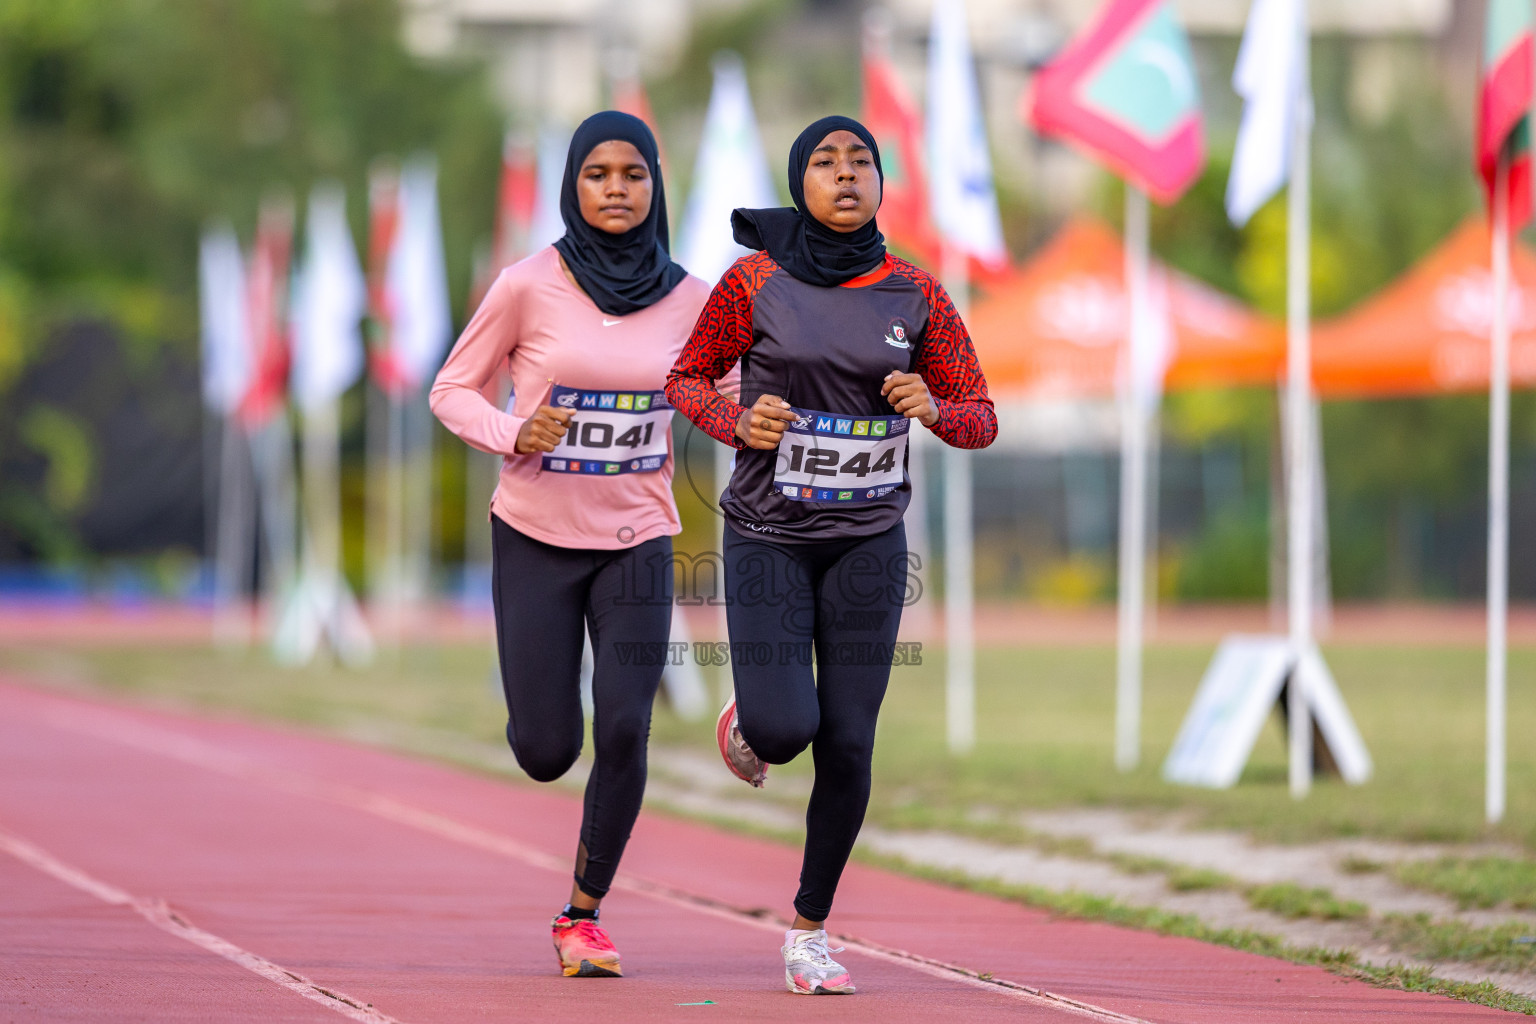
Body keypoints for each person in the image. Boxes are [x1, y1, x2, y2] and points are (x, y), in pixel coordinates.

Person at [665, 114, 997, 995]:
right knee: (788, 729)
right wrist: (737, 421)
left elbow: (980, 416)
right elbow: (685, 377)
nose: (845, 175)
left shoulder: (916, 293)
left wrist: (932, 406)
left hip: (869, 543)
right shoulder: (753, 280)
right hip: (767, 534)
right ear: (798, 181)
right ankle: (753, 718)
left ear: (882, 183)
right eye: (825, 161)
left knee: (848, 744)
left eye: (861, 162)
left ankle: (808, 932)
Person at [431, 111, 709, 979]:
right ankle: (541, 736)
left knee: (625, 727)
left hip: (638, 539)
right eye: (598, 174)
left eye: (633, 173)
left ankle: (582, 916)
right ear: (573, 186)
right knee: (547, 750)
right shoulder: (527, 283)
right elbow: (450, 390)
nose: (618, 189)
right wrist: (515, 431)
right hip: (537, 537)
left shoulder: (694, 298)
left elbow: (731, 394)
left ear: (656, 183)